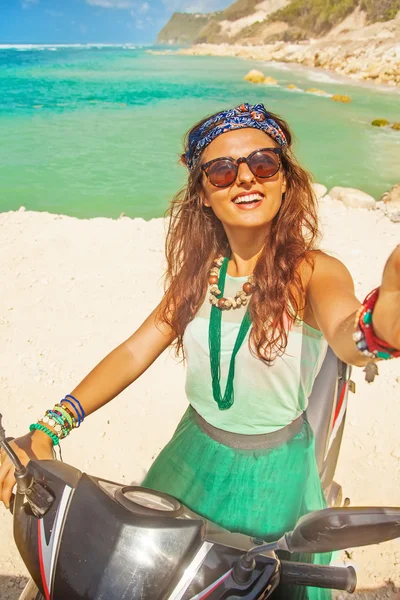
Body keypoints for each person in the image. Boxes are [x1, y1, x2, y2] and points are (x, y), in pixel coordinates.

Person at [1, 103, 399, 600]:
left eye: (264, 164)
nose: (246, 179)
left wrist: (380, 326)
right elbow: (134, 350)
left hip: (273, 476)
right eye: (223, 170)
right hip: (192, 453)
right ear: (205, 195)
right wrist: (49, 426)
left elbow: (347, 331)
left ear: (285, 181)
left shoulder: (313, 270)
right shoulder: (199, 274)